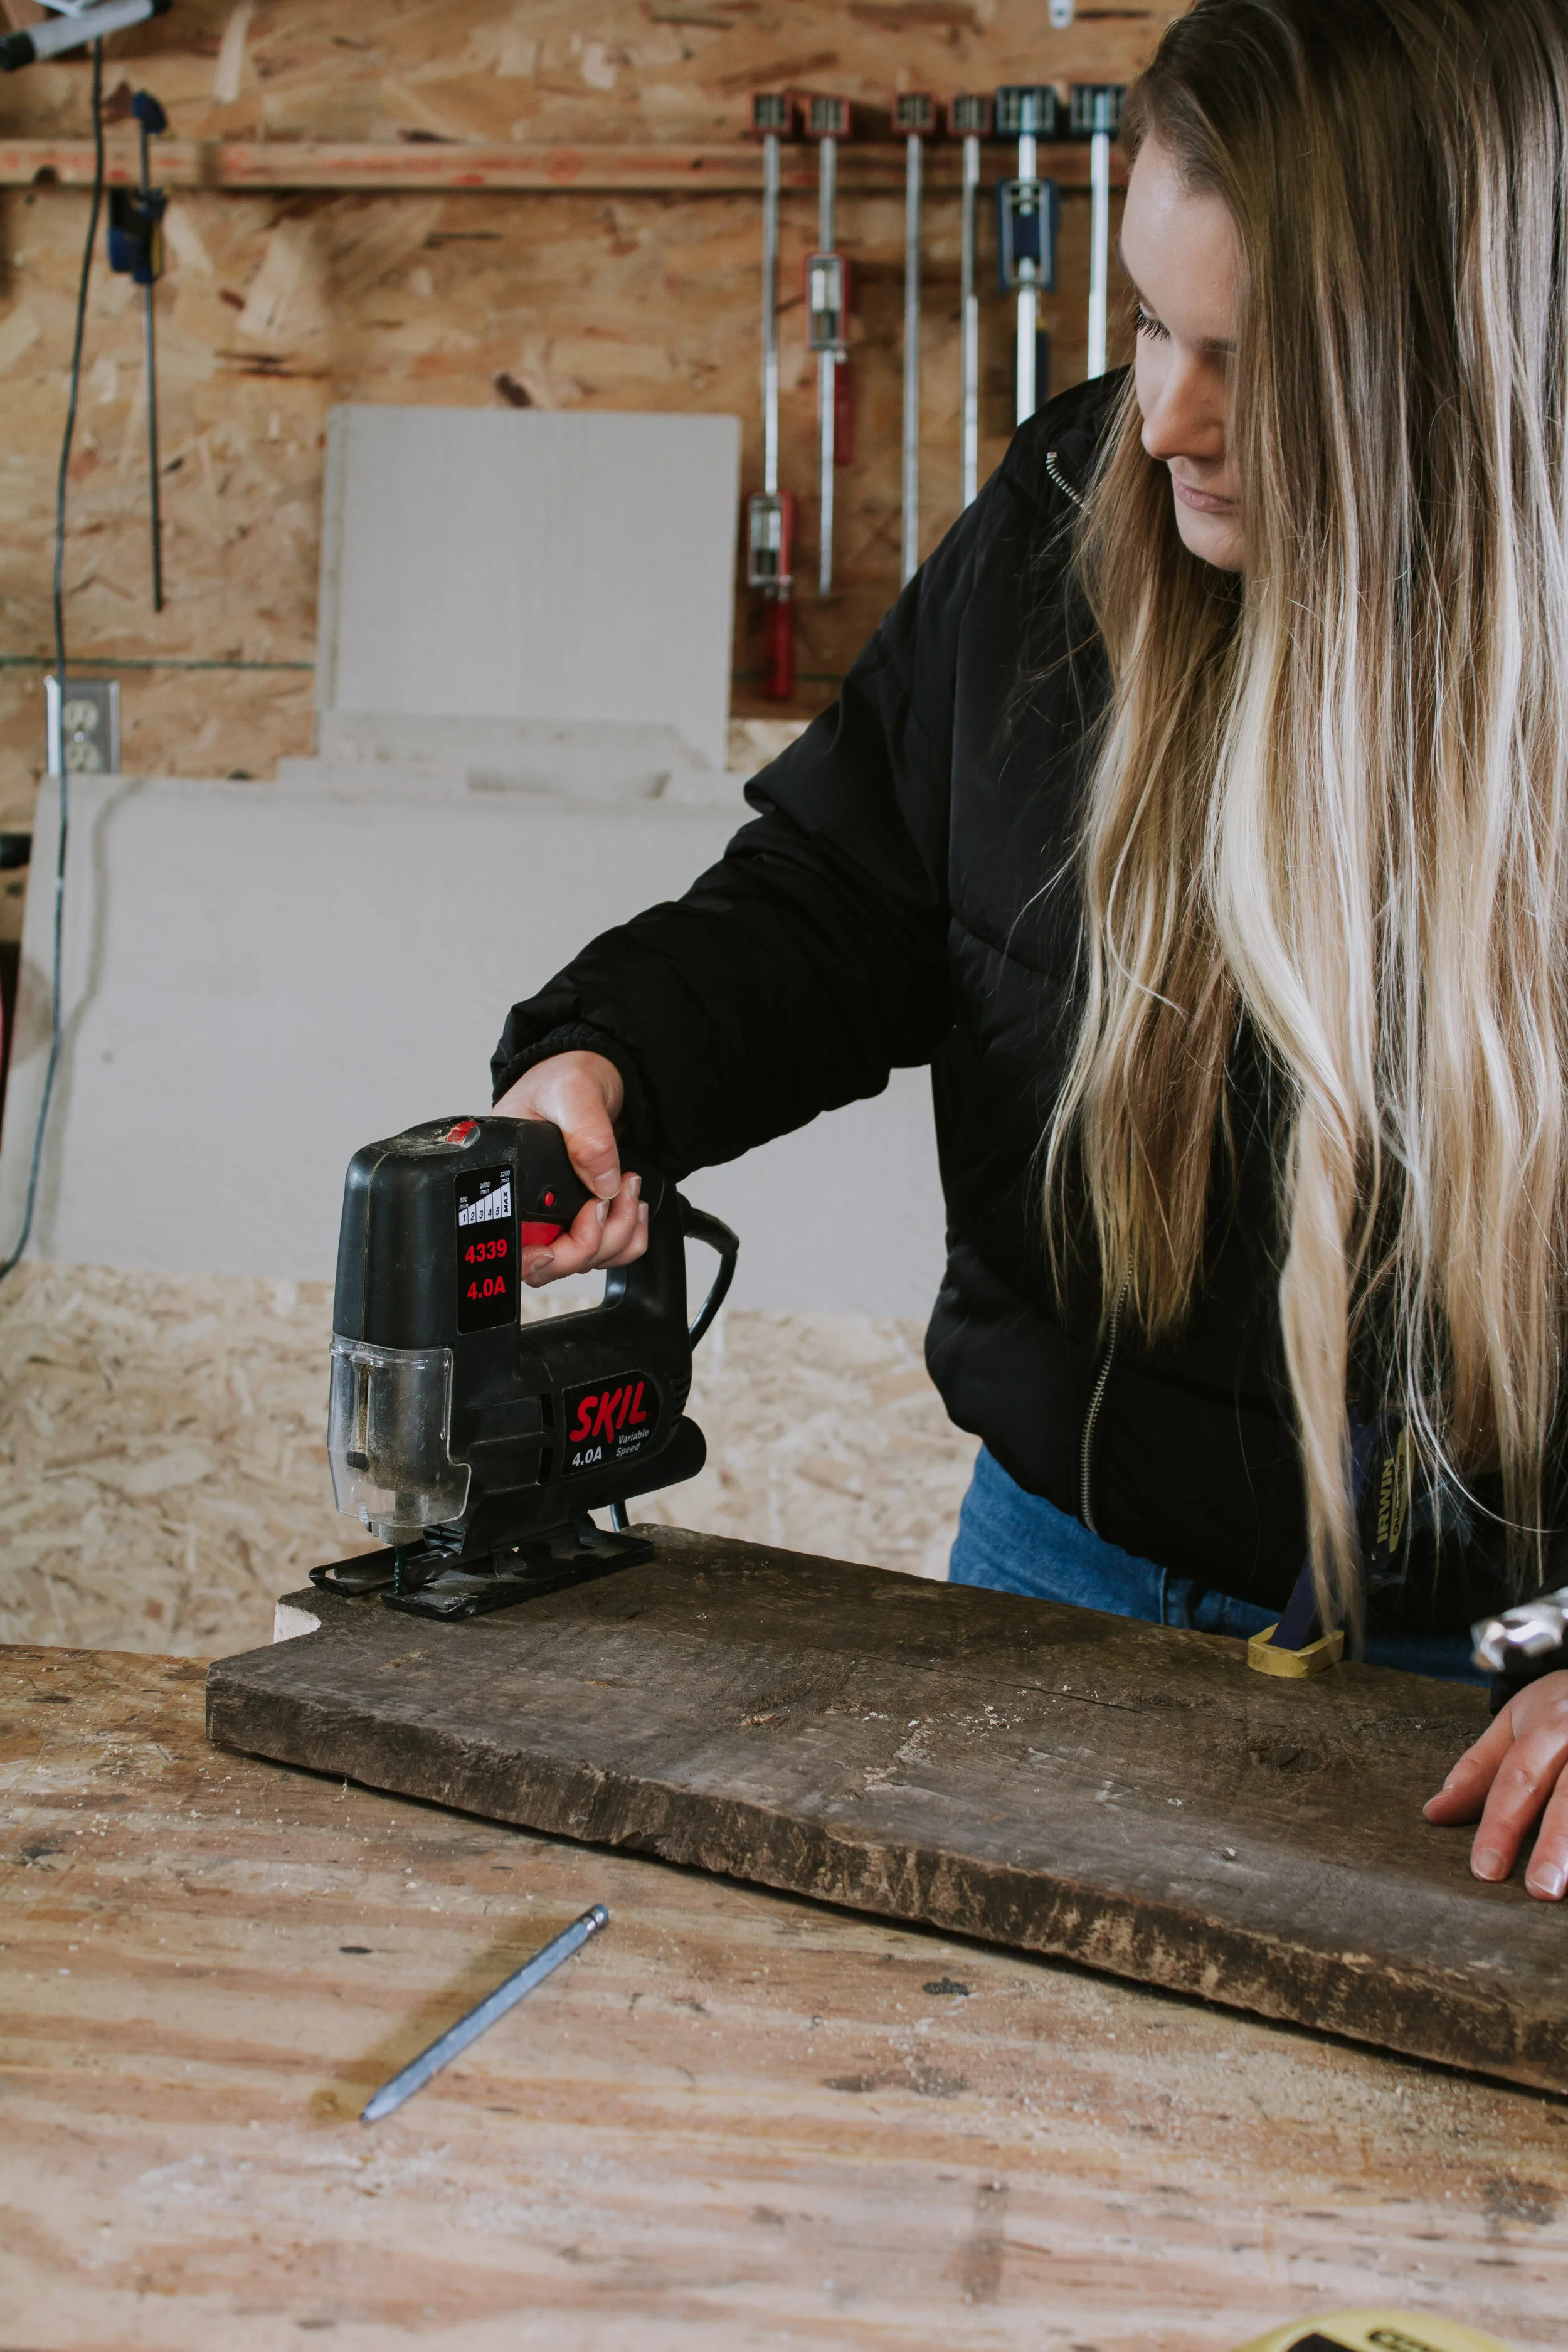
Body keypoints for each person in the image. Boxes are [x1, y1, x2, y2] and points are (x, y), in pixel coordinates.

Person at [488, 0, 1568, 1901]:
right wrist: (611, 1063)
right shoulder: (1071, 519)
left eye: (1250, 361)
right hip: (1053, 1561)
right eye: (1148, 323)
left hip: (1480, 1697)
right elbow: (846, 894)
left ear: (1449, 378)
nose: (1161, 418)